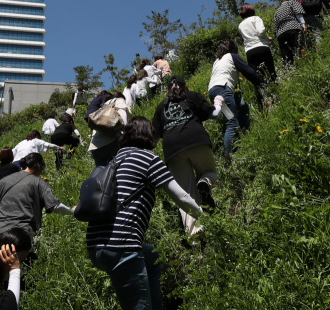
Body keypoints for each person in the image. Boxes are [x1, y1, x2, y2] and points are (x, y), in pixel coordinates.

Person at [86, 117, 203, 310]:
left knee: (152, 257)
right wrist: (207, 218)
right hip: (121, 246)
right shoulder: (146, 158)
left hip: (96, 245)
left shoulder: (113, 161)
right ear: (148, 135)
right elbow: (181, 196)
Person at [152, 77, 223, 235]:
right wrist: (218, 102)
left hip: (172, 149)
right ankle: (205, 182)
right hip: (196, 140)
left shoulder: (160, 107)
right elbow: (214, 115)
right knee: (210, 173)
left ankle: (195, 234)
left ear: (168, 90)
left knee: (185, 193)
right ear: (185, 87)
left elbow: (154, 138)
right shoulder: (192, 96)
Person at [0, 153, 74, 244]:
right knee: (25, 258)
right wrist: (72, 211)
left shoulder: (5, 180)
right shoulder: (38, 182)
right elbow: (54, 206)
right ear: (38, 166)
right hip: (20, 235)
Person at [207, 40, 263, 156]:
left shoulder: (217, 60)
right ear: (233, 50)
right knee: (231, 124)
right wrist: (261, 83)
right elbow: (247, 71)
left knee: (242, 107)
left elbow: (224, 73)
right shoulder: (232, 56)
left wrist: (235, 79)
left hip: (213, 92)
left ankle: (244, 135)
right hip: (223, 90)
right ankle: (229, 158)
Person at [237, 3, 276, 83]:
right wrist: (267, 38)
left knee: (258, 75)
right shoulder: (255, 18)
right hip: (261, 47)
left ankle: (264, 92)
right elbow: (261, 31)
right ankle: (275, 89)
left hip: (250, 51)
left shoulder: (240, 25)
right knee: (270, 71)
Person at [88, 94, 131, 167]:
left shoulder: (104, 106)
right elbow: (124, 121)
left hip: (96, 146)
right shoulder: (120, 100)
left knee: (102, 174)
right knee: (116, 173)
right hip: (112, 144)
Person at [273, 0, 307, 67]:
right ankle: (303, 66)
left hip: (280, 34)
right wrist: (303, 24)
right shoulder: (293, 2)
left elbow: (275, 26)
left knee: (286, 56)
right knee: (299, 48)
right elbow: (298, 13)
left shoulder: (278, 10)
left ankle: (288, 70)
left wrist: (277, 35)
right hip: (293, 27)